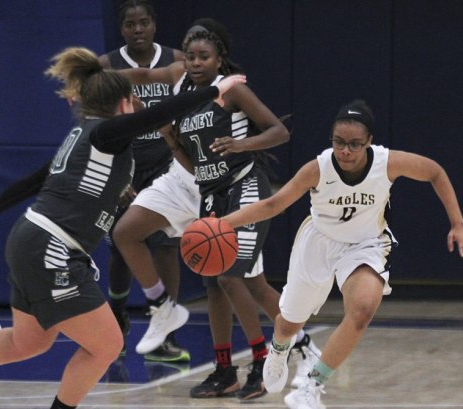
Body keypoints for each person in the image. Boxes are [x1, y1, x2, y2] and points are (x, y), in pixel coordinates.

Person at [0, 46, 244, 409]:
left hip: (31, 239)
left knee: (27, 343)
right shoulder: (106, 132)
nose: (140, 107)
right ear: (124, 103)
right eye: (135, 101)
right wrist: (213, 91)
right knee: (108, 344)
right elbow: (159, 113)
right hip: (51, 247)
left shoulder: (85, 136)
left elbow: (36, 180)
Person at [220, 99, 463, 409]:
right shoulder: (318, 168)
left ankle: (310, 385)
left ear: (369, 142)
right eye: (339, 142)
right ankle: (278, 349)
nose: (345, 150)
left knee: (361, 311)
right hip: (318, 242)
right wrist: (220, 224)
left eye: (354, 144)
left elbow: (435, 172)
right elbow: (272, 205)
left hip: (365, 245)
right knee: (288, 323)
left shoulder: (387, 163)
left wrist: (458, 224)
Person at [114, 24, 319, 400]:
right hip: (212, 194)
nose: (195, 63)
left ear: (219, 59)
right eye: (190, 57)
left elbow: (278, 132)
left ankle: (262, 359)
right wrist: (166, 133)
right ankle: (226, 369)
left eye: (203, 57)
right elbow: (194, 166)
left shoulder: (232, 89)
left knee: (229, 278)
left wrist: (241, 144)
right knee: (220, 284)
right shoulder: (185, 99)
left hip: (246, 187)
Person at [99, 0, 189, 362]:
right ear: (122, 30)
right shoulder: (107, 66)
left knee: (168, 245)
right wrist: (116, 177)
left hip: (167, 165)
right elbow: (97, 122)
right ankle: (118, 317)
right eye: (130, 24)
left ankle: (164, 330)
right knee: (121, 244)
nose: (137, 29)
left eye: (144, 22)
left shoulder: (178, 59)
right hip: (125, 165)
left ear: (154, 25)